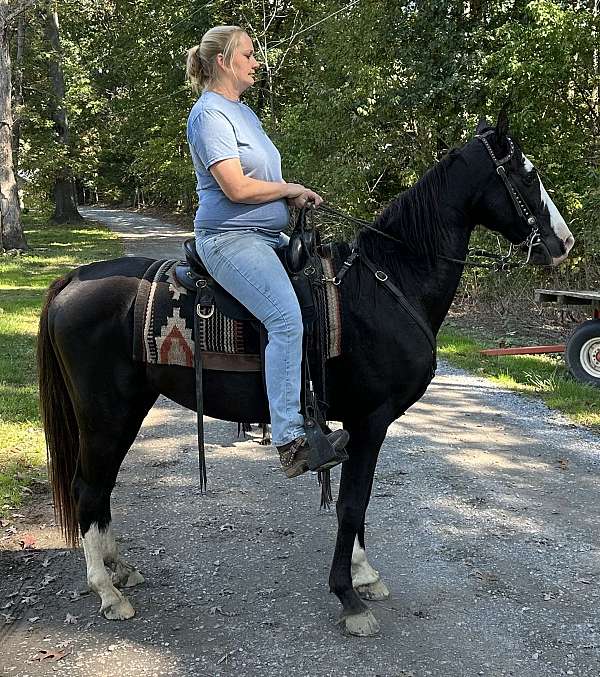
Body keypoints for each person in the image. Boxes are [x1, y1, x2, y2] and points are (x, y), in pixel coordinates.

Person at [185, 25, 348, 478]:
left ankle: (315, 403)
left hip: (269, 235)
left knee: (327, 293)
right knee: (285, 317)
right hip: (230, 239)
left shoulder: (244, 113)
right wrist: (289, 187)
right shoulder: (209, 116)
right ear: (224, 62)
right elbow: (235, 187)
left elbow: (259, 181)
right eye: (249, 55)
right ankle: (290, 440)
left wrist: (288, 197)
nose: (257, 62)